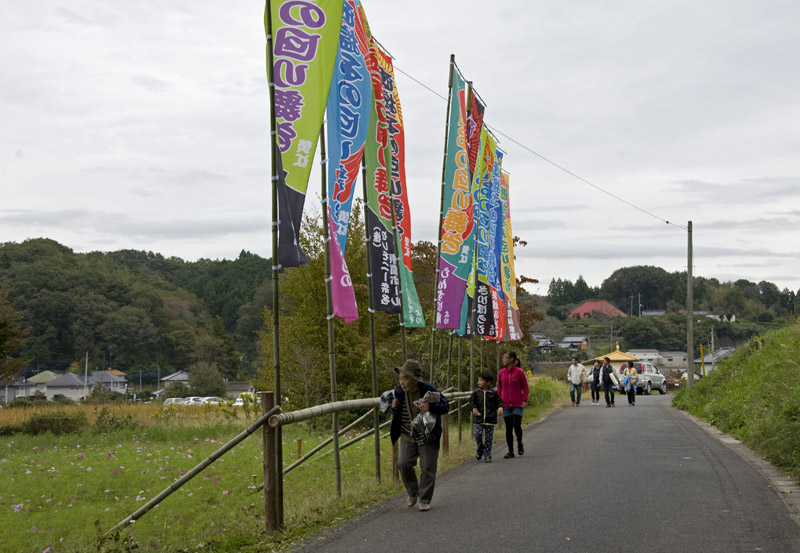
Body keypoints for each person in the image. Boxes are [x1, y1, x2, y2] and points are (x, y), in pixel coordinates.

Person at [390, 359, 450, 512]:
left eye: (405, 379)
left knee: (427, 468)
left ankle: (424, 499)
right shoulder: (398, 392)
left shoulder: (427, 390)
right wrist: (393, 407)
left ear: (415, 379)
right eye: (400, 379)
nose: (402, 382)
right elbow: (391, 408)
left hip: (427, 434)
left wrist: (430, 406)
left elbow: (445, 406)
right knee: (403, 464)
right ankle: (412, 492)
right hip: (407, 434)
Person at [497, 351, 529, 458]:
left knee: (516, 425)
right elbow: (499, 388)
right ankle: (510, 451)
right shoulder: (501, 373)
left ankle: (519, 443)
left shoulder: (519, 372)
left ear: (511, 359)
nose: (503, 359)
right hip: (506, 404)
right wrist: (500, 402)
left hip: (517, 404)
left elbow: (525, 387)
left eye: (505, 357)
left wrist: (524, 399)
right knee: (508, 428)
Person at [470, 370, 503, 463]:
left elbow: (499, 401)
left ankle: (487, 455)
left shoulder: (493, 392)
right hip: (479, 419)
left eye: (481, 380)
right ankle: (480, 450)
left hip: (490, 419)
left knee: (488, 439)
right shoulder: (476, 392)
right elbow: (472, 402)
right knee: (478, 435)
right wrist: (474, 409)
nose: (479, 382)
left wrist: (500, 408)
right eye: (478, 380)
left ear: (488, 382)